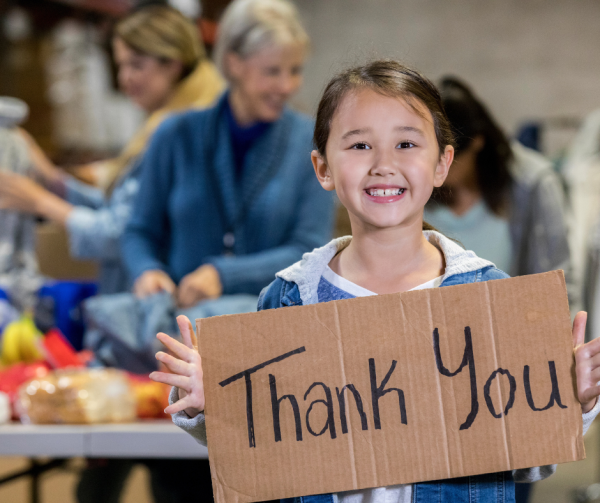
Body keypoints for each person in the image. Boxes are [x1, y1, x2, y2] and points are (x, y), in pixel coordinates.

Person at [150, 60, 600, 503]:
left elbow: (526, 462)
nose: (384, 164)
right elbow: (263, 456)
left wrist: (570, 402)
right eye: (360, 146)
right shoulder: (289, 299)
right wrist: (213, 404)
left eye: (406, 143)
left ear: (442, 163)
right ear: (322, 167)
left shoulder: (489, 295)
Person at [121, 0, 334, 311]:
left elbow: (310, 248)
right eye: (272, 71)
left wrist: (222, 275)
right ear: (234, 63)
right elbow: (139, 230)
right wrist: (147, 271)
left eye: (295, 70)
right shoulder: (175, 136)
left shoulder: (311, 143)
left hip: (273, 325)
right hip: (178, 323)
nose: (287, 86)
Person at [0, 4, 224, 294]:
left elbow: (123, 233)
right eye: (121, 65)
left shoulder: (179, 135)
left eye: (136, 65)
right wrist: (53, 180)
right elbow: (123, 209)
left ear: (173, 64)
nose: (124, 78)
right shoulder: (170, 123)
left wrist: (41, 202)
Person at [424, 77, 573, 304]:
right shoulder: (412, 185)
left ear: (476, 142)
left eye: (450, 158)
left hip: (512, 325)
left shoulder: (532, 184)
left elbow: (557, 282)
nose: (439, 168)